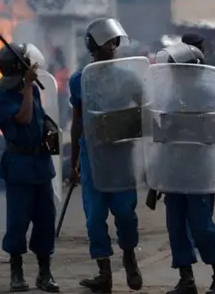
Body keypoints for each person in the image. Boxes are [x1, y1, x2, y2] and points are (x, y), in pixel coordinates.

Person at [147, 43, 215, 294]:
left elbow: (212, 134)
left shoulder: (209, 94)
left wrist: (181, 128)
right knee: (175, 226)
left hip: (199, 171)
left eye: (177, 68)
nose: (172, 73)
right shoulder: (169, 95)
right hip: (174, 170)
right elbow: (159, 138)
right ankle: (187, 279)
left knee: (201, 225)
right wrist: (156, 180)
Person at [68, 18, 143, 293]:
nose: (112, 47)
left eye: (114, 42)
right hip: (93, 158)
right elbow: (77, 122)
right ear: (93, 45)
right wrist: (74, 162)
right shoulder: (79, 79)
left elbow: (145, 107)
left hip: (121, 155)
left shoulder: (128, 76)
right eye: (106, 43)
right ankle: (104, 272)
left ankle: (129, 257)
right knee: (94, 216)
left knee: (125, 213)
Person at [0, 43, 60, 293]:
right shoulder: (1, 96)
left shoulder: (30, 90)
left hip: (40, 165)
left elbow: (39, 120)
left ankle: (45, 272)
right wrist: (29, 87)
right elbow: (23, 118)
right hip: (18, 167)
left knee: (45, 221)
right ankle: (16, 272)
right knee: (18, 222)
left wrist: (51, 130)